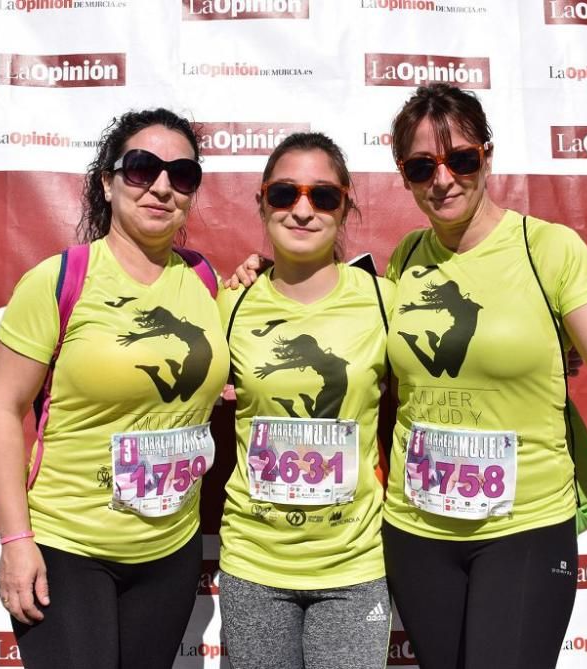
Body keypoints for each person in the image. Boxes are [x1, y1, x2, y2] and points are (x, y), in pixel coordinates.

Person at [380, 83, 587, 669]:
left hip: (523, 528)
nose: (443, 180)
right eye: (423, 166)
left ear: (487, 157)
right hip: (417, 530)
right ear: (404, 175)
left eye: (461, 159)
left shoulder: (548, 248)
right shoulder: (404, 258)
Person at [0, 108, 230, 669]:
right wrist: (16, 542)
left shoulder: (205, 281)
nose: (162, 187)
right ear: (108, 182)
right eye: (142, 168)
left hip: (170, 551)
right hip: (69, 549)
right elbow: (1, 407)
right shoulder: (60, 279)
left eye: (183, 175)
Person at [218, 132, 394, 669]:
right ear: (262, 202)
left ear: (345, 205)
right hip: (254, 564)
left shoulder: (387, 300)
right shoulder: (230, 302)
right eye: (284, 194)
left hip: (356, 566)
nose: (302, 210)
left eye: (322, 196)